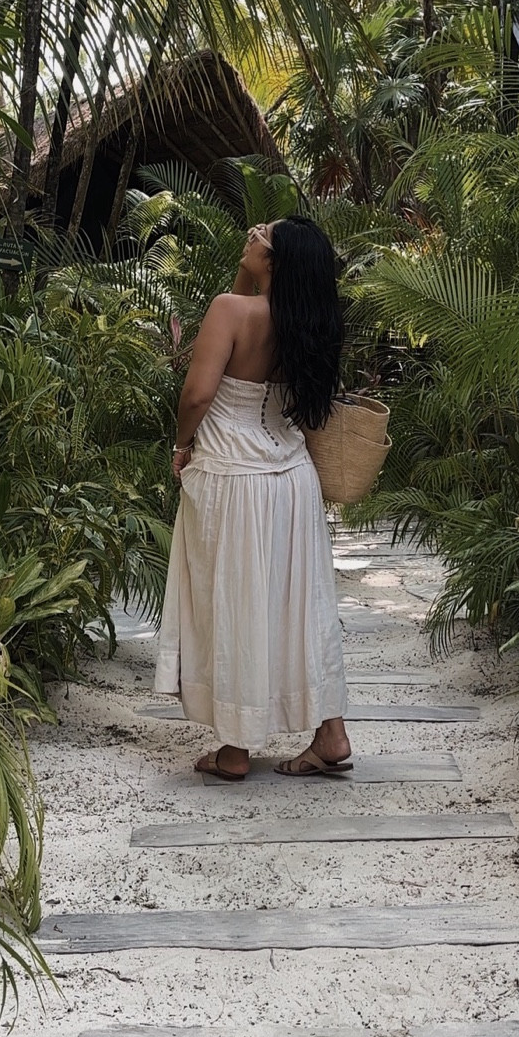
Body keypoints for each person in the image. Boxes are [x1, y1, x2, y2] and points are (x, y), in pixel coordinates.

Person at [154, 215, 351, 781]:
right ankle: (330, 734)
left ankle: (236, 750)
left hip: (231, 475)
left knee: (233, 602)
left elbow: (197, 393)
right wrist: (248, 277)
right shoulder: (306, 322)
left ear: (278, 261)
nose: (257, 228)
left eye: (268, 233)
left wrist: (180, 444)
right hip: (291, 477)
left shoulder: (230, 311)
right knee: (301, 605)